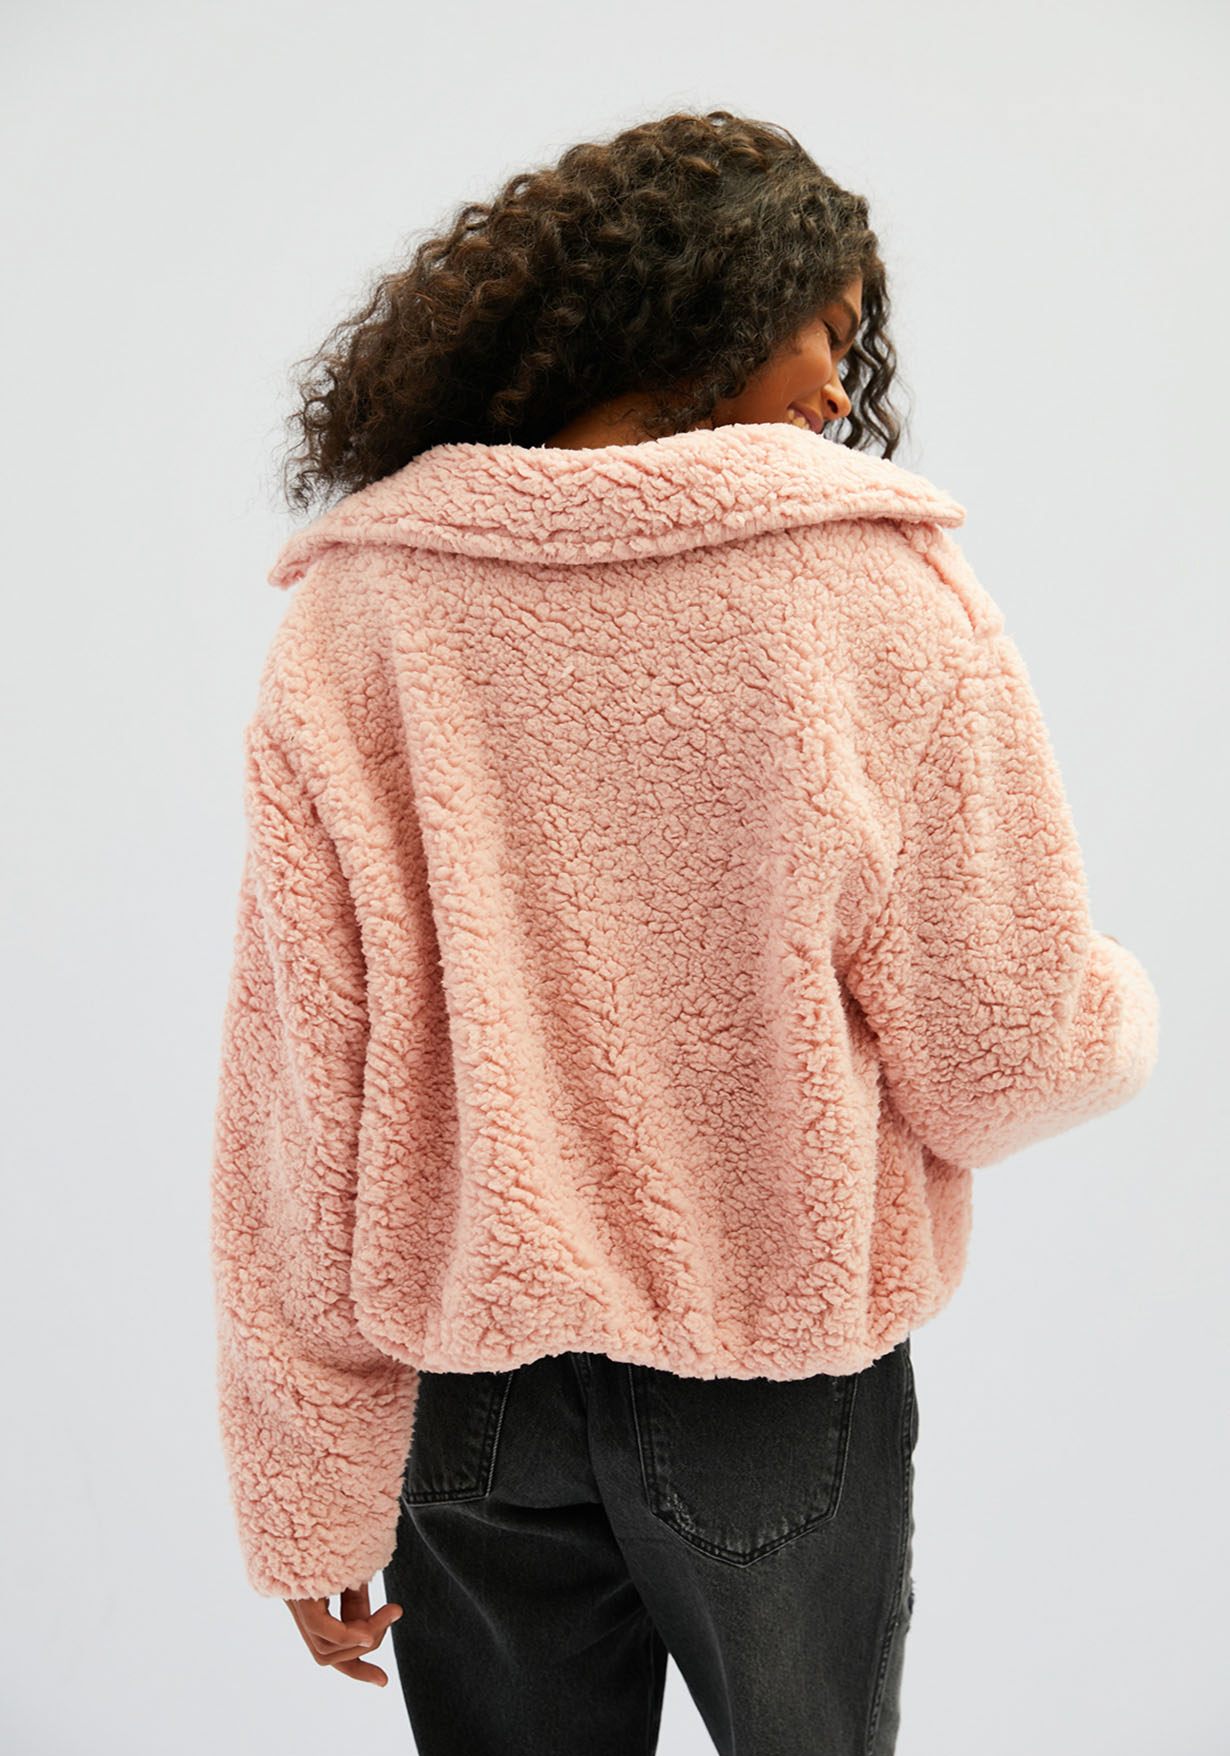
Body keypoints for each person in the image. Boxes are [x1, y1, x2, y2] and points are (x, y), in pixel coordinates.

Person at [208, 108, 1160, 1754]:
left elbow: (300, 1102)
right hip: (771, 1387)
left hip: (473, 1404)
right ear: (720, 300)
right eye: (826, 331)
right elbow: (1006, 1057)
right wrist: (1121, 1009)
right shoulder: (874, 594)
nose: (836, 391)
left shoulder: (361, 618)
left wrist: (308, 1486)